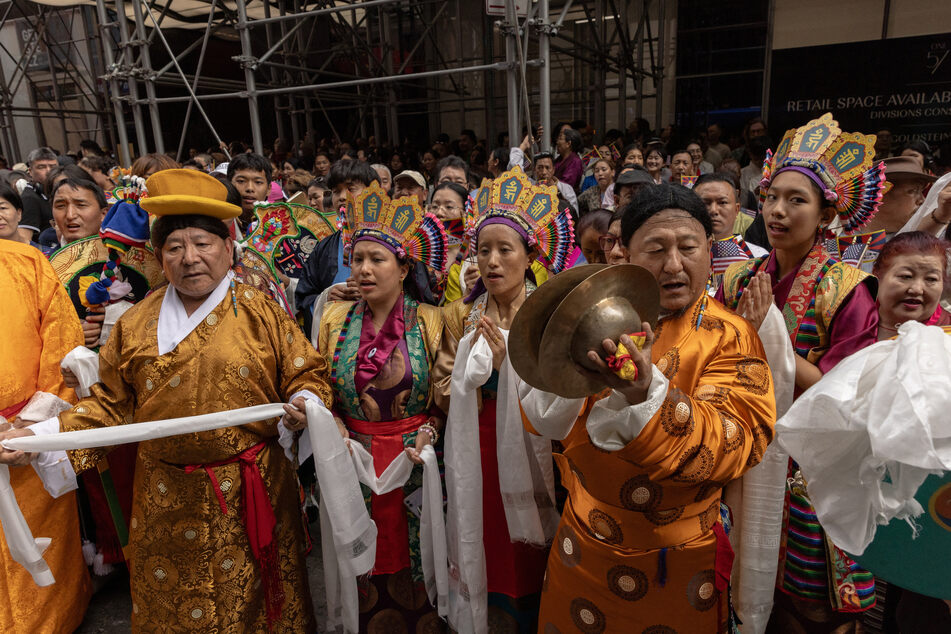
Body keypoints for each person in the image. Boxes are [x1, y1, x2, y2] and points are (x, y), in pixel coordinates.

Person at [0, 168, 333, 632]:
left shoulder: (261, 312)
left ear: (228, 248)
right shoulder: (137, 324)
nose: (190, 258)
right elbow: (109, 407)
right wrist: (36, 437)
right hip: (163, 495)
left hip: (250, 486)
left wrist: (304, 400)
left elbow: (309, 371)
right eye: (175, 247)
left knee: (260, 608)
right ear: (159, 255)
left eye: (203, 243)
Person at [518, 183, 776, 632]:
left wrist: (646, 395)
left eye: (688, 248)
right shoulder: (598, 316)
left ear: (710, 251)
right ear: (628, 253)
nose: (673, 265)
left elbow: (734, 445)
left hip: (675, 563)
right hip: (581, 546)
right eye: (655, 249)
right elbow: (543, 420)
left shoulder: (730, 335)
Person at [719, 113, 883, 631]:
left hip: (809, 468)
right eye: (771, 197)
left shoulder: (848, 287)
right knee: (741, 590)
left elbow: (847, 394)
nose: (778, 210)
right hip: (744, 450)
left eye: (797, 200)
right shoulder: (741, 276)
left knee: (809, 608)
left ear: (827, 213)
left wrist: (770, 343)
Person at [434, 167, 575, 632]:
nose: (491, 262)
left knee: (530, 544)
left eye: (505, 250)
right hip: (476, 448)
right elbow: (439, 389)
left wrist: (511, 370)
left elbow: (567, 390)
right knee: (487, 541)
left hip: (537, 450)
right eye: (483, 250)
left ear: (530, 254)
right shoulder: (460, 315)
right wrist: (472, 376)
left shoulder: (550, 315)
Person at [317, 184, 448, 633]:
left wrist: (431, 433)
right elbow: (321, 389)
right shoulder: (334, 320)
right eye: (357, 258)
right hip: (353, 462)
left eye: (378, 259)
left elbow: (444, 397)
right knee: (362, 566)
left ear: (405, 266)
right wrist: (331, 424)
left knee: (420, 561)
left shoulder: (432, 321)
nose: (365, 269)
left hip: (414, 462)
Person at [0, 238, 92, 633]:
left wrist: (31, 427)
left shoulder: (24, 262)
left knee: (42, 566)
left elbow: (63, 347)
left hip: (24, 433)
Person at [863, 156, 936, 238]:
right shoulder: (848, 243)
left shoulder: (922, 242)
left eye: (921, 191)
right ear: (878, 197)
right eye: (913, 191)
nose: (922, 200)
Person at [19, 147, 58, 240]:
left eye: (53, 166)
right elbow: (24, 239)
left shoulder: (56, 192)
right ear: (30, 172)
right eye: (41, 167)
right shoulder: (30, 198)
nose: (49, 171)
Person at [227, 153, 272, 231]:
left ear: (269, 189)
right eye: (241, 181)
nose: (249, 188)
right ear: (229, 184)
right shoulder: (219, 222)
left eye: (258, 182)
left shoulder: (279, 222)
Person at [554, 127, 584, 192]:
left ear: (568, 144)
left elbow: (566, 185)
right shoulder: (559, 159)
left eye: (560, 139)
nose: (557, 142)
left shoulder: (575, 161)